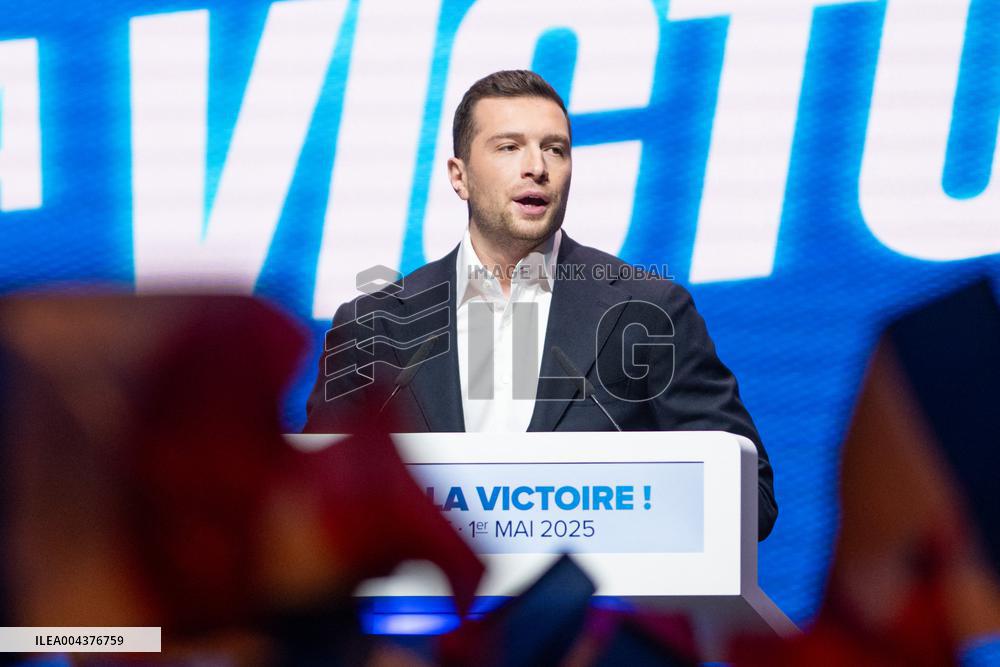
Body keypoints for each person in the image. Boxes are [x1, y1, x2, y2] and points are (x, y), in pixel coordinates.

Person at [305, 70, 777, 540]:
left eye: (555, 149)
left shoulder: (647, 311)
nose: (538, 166)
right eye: (509, 147)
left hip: (595, 609)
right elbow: (312, 505)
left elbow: (749, 498)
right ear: (459, 176)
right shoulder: (374, 326)